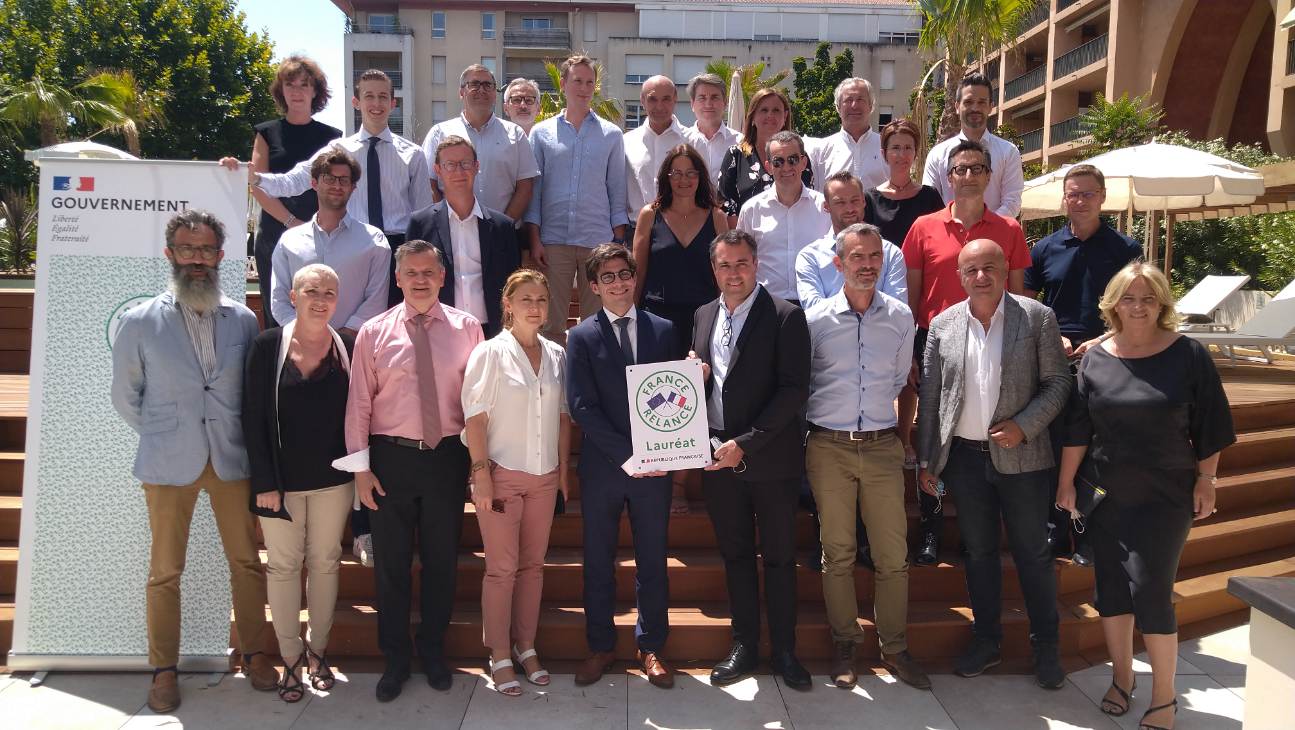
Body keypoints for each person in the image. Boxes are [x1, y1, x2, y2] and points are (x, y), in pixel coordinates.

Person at [110, 210, 276, 713]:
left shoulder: (243, 318)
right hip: (167, 463)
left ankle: (255, 654)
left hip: (231, 460)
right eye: (188, 249)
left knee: (246, 563)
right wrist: (164, 434)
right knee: (165, 571)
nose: (198, 260)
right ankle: (163, 670)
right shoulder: (140, 321)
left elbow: (250, 390)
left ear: (221, 256)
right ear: (171, 254)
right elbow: (125, 395)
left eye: (206, 250)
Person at [1057, 262, 1234, 730]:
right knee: (1111, 590)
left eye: (1148, 298)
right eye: (1129, 298)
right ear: (1113, 304)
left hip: (1165, 494)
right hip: (1105, 491)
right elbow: (1078, 429)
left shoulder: (1189, 355)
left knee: (1153, 591)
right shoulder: (1094, 359)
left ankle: (1164, 697)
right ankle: (1121, 679)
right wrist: (1066, 483)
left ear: (1163, 304)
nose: (1138, 307)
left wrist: (1207, 479)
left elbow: (1212, 424)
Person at [915, 239, 1071, 690]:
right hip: (963, 460)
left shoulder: (1036, 317)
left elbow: (1059, 383)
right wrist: (928, 459)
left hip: (1024, 458)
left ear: (1005, 269)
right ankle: (987, 640)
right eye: (971, 269)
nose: (981, 276)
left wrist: (1026, 424)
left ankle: (1047, 647)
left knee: (1033, 554)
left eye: (989, 267)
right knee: (978, 554)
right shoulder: (943, 324)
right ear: (960, 276)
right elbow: (930, 398)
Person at [345, 240, 483, 702]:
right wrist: (361, 469)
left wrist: (478, 463)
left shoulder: (467, 329)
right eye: (411, 273)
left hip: (446, 457)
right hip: (390, 460)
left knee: (443, 562)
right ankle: (396, 659)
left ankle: (434, 652)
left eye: (429, 272)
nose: (421, 280)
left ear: (443, 277)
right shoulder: (373, 331)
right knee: (391, 567)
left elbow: (479, 402)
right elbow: (359, 404)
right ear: (398, 279)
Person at [804, 223, 930, 691]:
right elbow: (804, 383)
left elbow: (901, 382)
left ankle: (895, 649)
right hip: (828, 446)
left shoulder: (900, 317)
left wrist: (899, 440)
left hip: (881, 447)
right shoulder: (814, 320)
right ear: (839, 264)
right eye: (857, 257)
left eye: (875, 256)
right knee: (836, 552)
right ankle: (845, 645)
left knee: (892, 555)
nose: (867, 264)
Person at [690, 230, 812, 689]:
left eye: (742, 263)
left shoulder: (784, 316)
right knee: (736, 555)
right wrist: (694, 377)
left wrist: (747, 440)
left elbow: (793, 390)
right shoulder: (703, 315)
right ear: (714, 269)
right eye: (725, 265)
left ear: (756, 265)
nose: (733, 273)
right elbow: (706, 383)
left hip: (770, 458)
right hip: (718, 459)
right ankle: (744, 645)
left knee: (779, 558)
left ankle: (784, 650)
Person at [903, 138, 1031, 565]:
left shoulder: (1009, 230)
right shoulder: (923, 227)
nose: (969, 176)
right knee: (934, 440)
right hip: (938, 345)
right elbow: (912, 298)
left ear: (990, 176)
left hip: (993, 342)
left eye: (977, 168)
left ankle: (989, 526)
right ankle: (931, 525)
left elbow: (1017, 297)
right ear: (948, 176)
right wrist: (912, 351)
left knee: (985, 429)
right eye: (961, 169)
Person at [566, 245, 679, 690]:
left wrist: (693, 374)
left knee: (653, 557)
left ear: (635, 277)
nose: (617, 283)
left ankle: (651, 646)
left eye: (623, 274)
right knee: (598, 558)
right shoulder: (581, 337)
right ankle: (600, 645)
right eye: (607, 278)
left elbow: (673, 393)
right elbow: (581, 407)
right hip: (604, 468)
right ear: (593, 287)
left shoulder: (663, 329)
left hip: (656, 469)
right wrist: (629, 455)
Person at [242, 264, 354, 703]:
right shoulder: (267, 345)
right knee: (284, 568)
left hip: (333, 482)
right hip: (280, 486)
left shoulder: (347, 345)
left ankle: (318, 653)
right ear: (293, 295)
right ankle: (290, 657)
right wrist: (264, 481)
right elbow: (252, 417)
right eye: (311, 290)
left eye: (329, 291)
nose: (320, 298)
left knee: (325, 563)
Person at [236, 69, 433, 307]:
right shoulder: (338, 149)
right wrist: (255, 179)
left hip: (398, 247)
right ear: (356, 102)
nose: (376, 103)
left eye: (383, 97)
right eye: (369, 96)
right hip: (352, 245)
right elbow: (295, 181)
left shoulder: (413, 155)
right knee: (348, 318)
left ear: (393, 103)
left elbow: (422, 215)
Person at [461, 269, 571, 696]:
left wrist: (563, 472)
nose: (535, 306)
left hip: (544, 478)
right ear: (507, 303)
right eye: (525, 298)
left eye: (542, 299)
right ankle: (499, 653)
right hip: (502, 475)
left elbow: (562, 418)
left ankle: (526, 646)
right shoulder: (489, 353)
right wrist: (481, 476)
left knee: (533, 567)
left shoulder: (556, 354)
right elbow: (475, 417)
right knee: (502, 570)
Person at [1026, 163, 1142, 567]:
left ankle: (1095, 536)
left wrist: (1104, 338)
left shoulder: (1125, 249)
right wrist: (1051, 332)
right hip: (1057, 357)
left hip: (1110, 355)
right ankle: (1058, 529)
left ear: (1103, 197)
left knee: (1100, 449)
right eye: (1072, 194)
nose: (1078, 201)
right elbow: (1028, 299)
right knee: (1058, 445)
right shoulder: (1044, 248)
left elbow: (1136, 303)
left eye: (1087, 193)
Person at [632, 144, 729, 515]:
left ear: (700, 177)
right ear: (666, 178)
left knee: (695, 403)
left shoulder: (716, 217)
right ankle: (662, 485)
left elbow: (722, 277)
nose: (684, 180)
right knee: (660, 403)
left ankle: (683, 484)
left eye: (691, 173)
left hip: (703, 320)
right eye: (677, 173)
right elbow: (638, 272)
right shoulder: (649, 215)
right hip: (657, 320)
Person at [524, 55, 629, 344]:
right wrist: (534, 238)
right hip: (553, 242)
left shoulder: (612, 135)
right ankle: (554, 385)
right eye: (577, 81)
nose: (583, 88)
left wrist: (617, 243)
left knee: (599, 323)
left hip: (598, 242)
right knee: (549, 323)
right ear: (563, 84)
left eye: (589, 82)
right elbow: (535, 192)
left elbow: (616, 191)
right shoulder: (541, 133)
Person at [863, 118, 944, 472]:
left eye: (908, 147)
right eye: (894, 147)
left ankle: (905, 434)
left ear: (915, 153)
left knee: (912, 365)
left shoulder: (929, 197)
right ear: (884, 153)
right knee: (882, 362)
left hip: (918, 286)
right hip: (877, 288)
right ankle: (881, 430)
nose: (901, 154)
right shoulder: (869, 198)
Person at [242, 55, 341, 328]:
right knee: (279, 315)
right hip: (275, 233)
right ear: (281, 90)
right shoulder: (265, 132)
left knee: (321, 307)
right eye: (290, 85)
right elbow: (258, 184)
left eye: (304, 85)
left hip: (320, 233)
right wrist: (290, 223)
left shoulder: (333, 137)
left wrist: (309, 226)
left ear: (315, 91)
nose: (297, 92)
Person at [407, 135, 523, 338]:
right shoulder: (420, 224)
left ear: (477, 166)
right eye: (450, 165)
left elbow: (514, 286)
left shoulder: (503, 227)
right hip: (438, 332)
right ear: (438, 170)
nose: (459, 171)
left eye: (465, 163)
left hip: (491, 333)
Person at [269, 146, 391, 336]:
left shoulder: (374, 241)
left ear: (353, 187)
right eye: (329, 178)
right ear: (314, 183)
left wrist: (341, 339)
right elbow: (279, 298)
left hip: (353, 348)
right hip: (299, 345)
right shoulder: (289, 241)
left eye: (344, 180)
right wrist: (304, 334)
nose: (337, 185)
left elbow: (376, 299)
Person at [421, 65, 538, 226]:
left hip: (504, 235)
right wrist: (446, 222)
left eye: (487, 85)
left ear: (495, 94)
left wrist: (502, 226)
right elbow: (429, 183)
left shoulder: (515, 134)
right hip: (453, 230)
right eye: (474, 84)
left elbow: (525, 188)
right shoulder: (439, 133)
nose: (481, 90)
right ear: (461, 92)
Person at [736, 130, 831, 305]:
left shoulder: (825, 207)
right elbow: (741, 260)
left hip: (816, 305)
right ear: (768, 166)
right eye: (778, 162)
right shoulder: (751, 210)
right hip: (767, 306)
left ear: (803, 162)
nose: (786, 167)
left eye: (793, 160)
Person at [797, 171, 907, 310]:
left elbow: (897, 308)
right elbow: (813, 310)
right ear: (826, 206)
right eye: (840, 202)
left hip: (879, 331)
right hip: (830, 331)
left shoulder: (890, 253)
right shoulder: (810, 257)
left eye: (855, 201)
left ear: (863, 202)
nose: (849, 209)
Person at [922, 73, 1023, 219]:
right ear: (957, 107)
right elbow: (929, 202)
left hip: (993, 238)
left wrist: (984, 229)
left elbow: (1012, 203)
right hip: (948, 237)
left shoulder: (1008, 152)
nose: (975, 108)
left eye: (981, 102)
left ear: (990, 107)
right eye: (968, 102)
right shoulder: (937, 154)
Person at [718, 87, 813, 227]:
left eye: (776, 110)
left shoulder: (798, 156)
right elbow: (726, 208)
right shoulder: (735, 156)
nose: (770, 115)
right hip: (747, 240)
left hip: (795, 238)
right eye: (764, 110)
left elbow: (808, 201)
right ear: (753, 117)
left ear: (785, 116)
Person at [624, 75, 687, 227]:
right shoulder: (625, 141)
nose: (659, 106)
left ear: (675, 99)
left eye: (666, 99)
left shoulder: (692, 141)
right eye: (652, 99)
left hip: (681, 230)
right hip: (635, 229)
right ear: (642, 100)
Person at [807, 78, 888, 191]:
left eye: (860, 99)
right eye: (848, 100)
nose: (854, 105)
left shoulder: (887, 147)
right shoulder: (821, 151)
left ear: (871, 106)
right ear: (838, 107)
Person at [681, 73, 740, 187]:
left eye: (714, 97)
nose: (708, 104)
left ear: (725, 102)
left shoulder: (740, 142)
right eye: (702, 98)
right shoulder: (681, 141)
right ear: (692, 104)